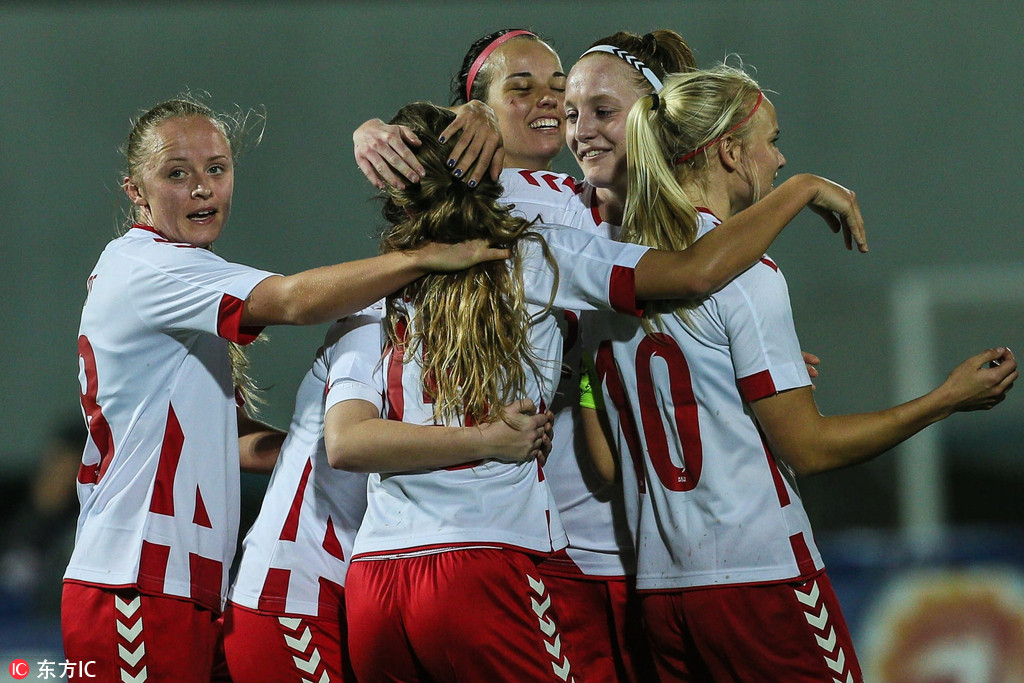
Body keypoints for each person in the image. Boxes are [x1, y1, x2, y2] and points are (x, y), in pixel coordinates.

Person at [579, 65, 1017, 682]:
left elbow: (606, 464)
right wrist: (945, 399)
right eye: (772, 140)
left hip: (662, 591)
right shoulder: (749, 278)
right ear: (731, 152)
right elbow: (809, 449)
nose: (780, 159)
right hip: (761, 579)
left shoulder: (610, 275)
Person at [63, 94, 509, 682]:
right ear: (135, 192)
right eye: (176, 173)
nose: (202, 188)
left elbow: (228, 443)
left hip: (179, 583)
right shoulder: (150, 266)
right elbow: (295, 301)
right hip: (134, 579)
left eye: (216, 168)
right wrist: (424, 258)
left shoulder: (165, 272)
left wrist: (333, 448)